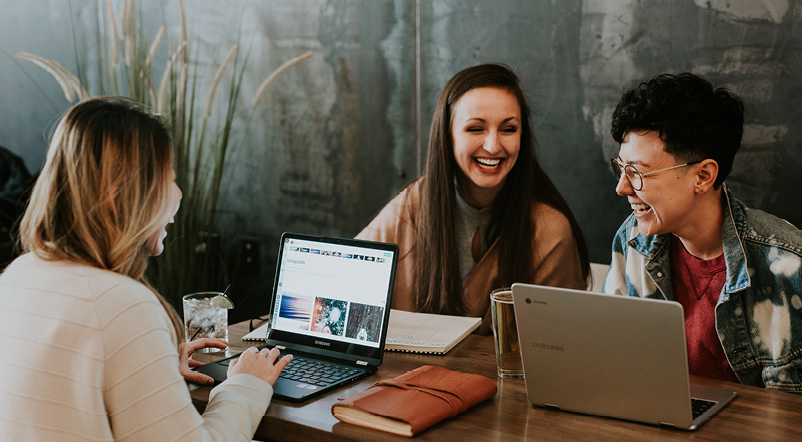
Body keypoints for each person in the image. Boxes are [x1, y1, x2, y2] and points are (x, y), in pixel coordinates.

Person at [603, 72, 802, 441]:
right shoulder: (633, 240)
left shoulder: (800, 266)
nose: (622, 187)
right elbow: (610, 357)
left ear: (703, 176)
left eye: (637, 173)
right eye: (621, 168)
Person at [0, 97, 293, 440]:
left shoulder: (19, 274)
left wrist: (153, 364)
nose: (179, 194)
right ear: (118, 197)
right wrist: (246, 384)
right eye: (168, 181)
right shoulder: (121, 304)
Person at [358, 63, 590, 334]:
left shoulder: (550, 231)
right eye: (475, 129)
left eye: (508, 129)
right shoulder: (412, 205)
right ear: (448, 136)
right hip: (405, 376)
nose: (493, 146)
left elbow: (559, 346)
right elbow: (343, 280)